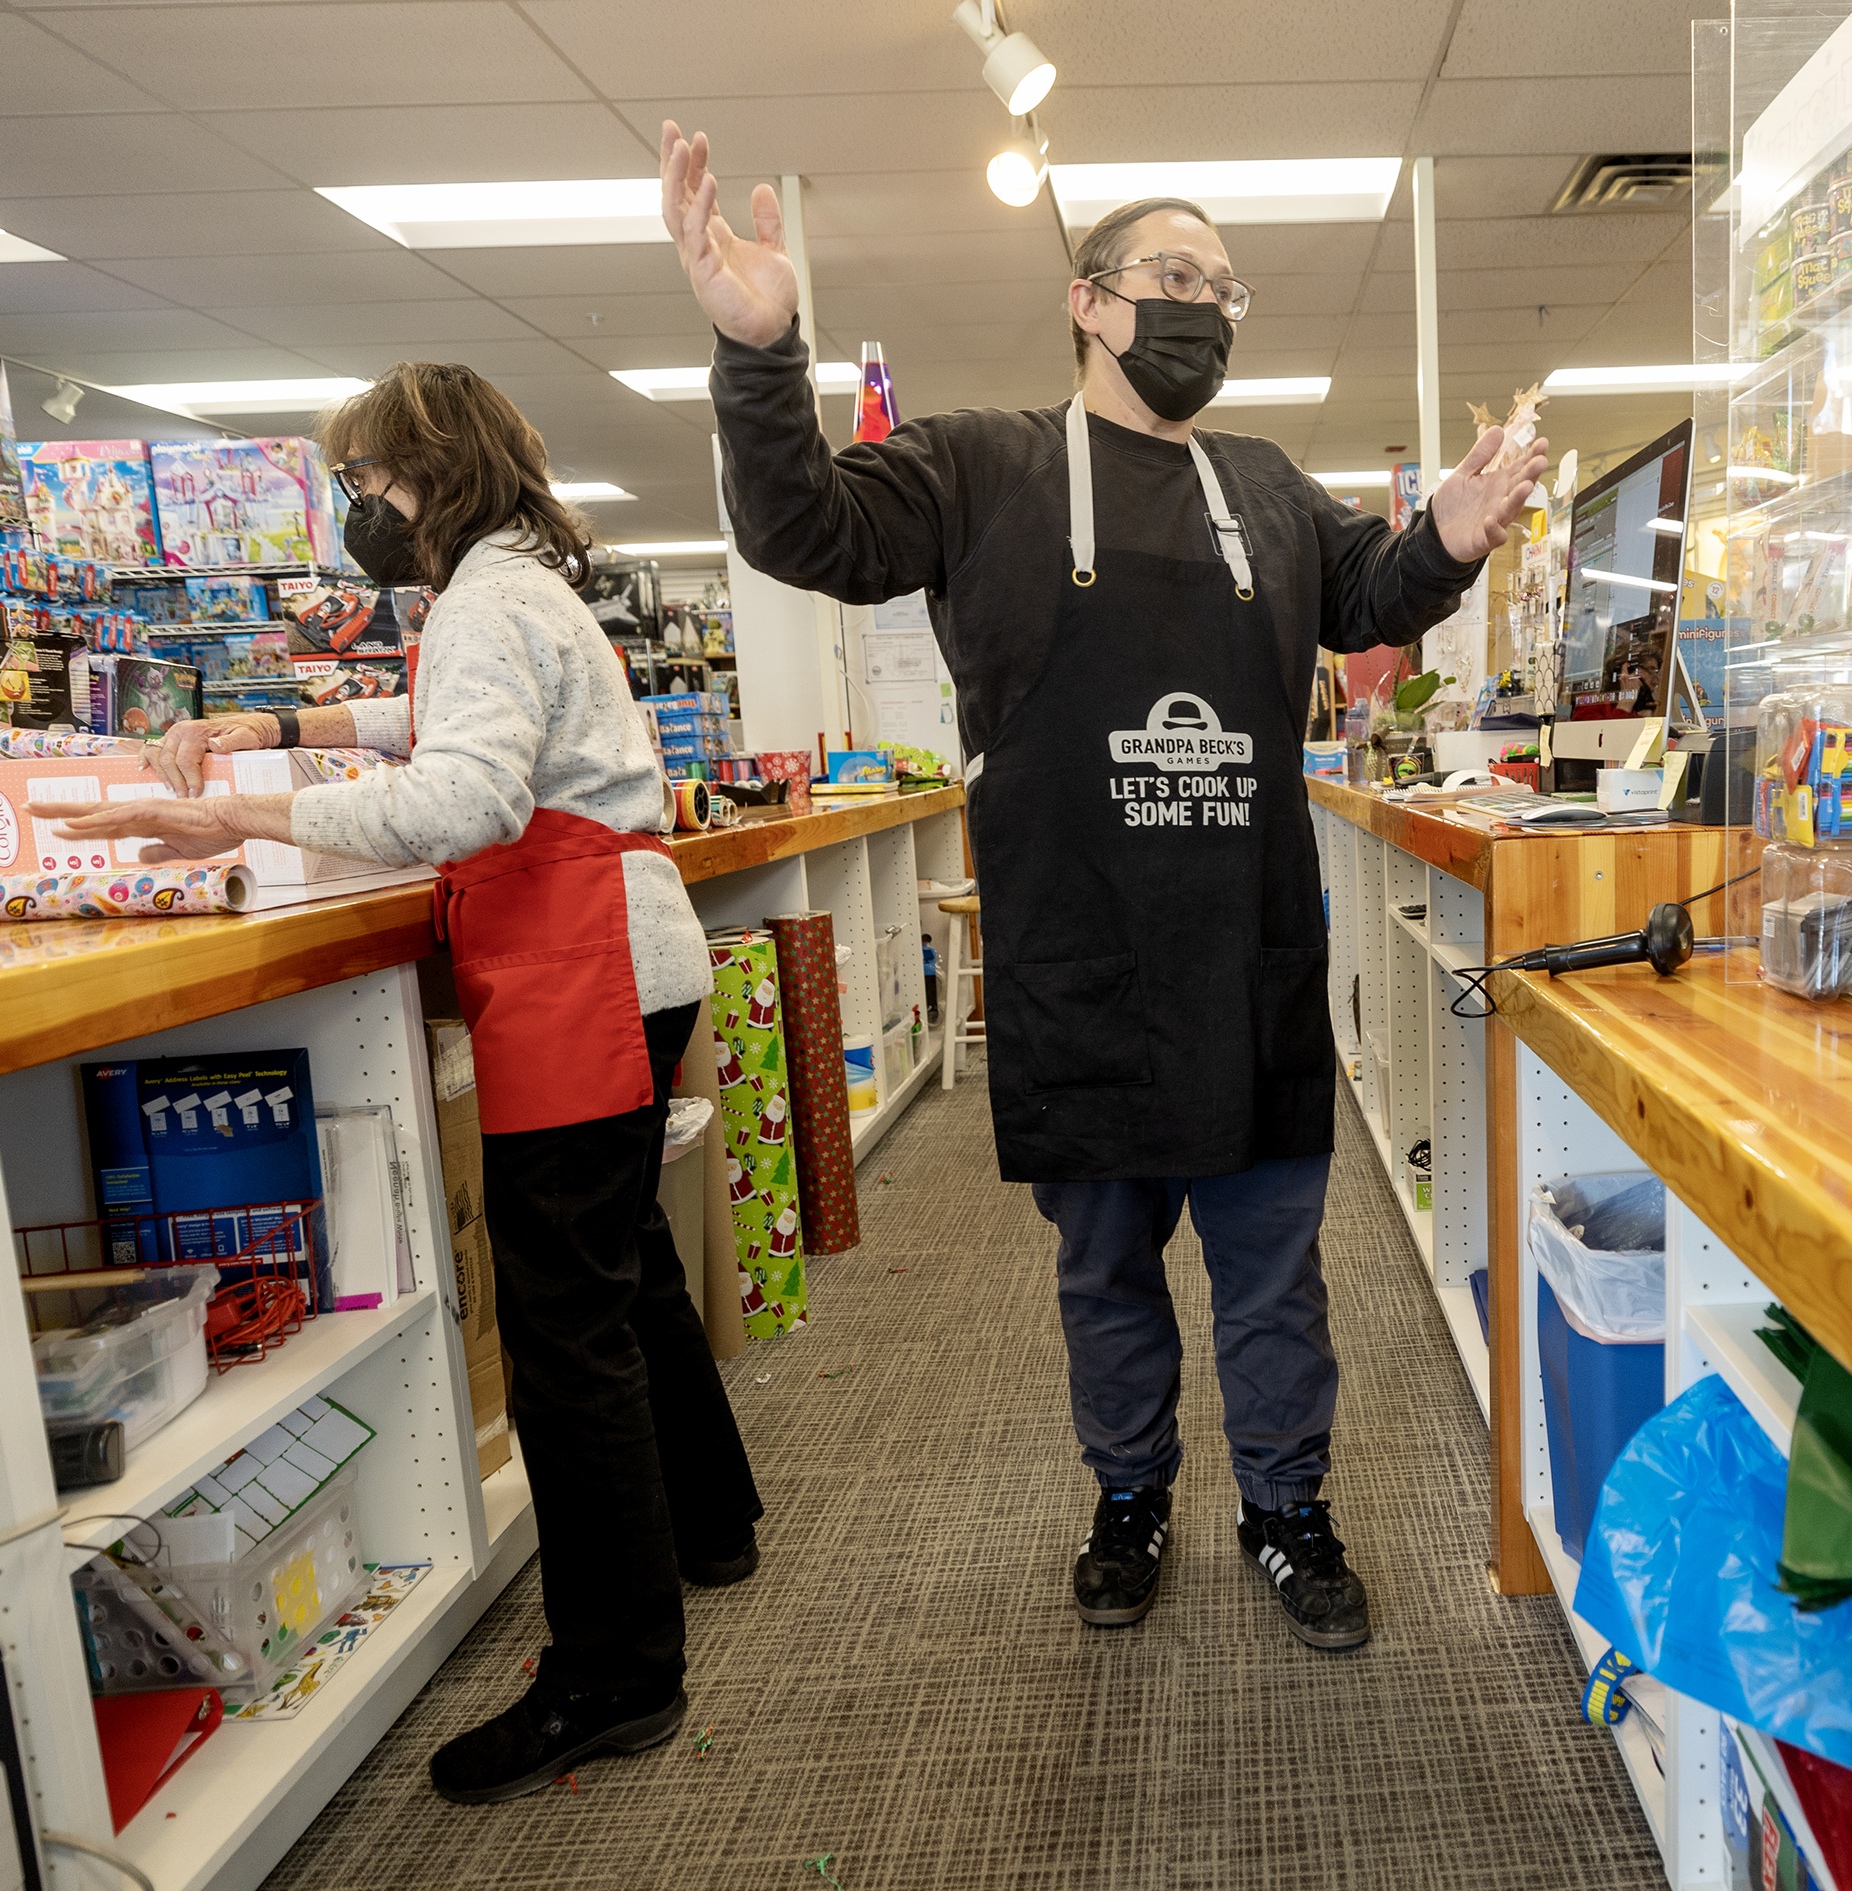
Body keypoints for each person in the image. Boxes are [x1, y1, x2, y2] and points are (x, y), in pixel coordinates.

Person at [661, 121, 1544, 1652]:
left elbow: (1372, 592)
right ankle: (1128, 1499)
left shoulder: (1264, 487)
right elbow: (805, 529)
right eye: (1171, 274)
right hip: (1080, 963)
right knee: (1105, 1276)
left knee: (1277, 1282)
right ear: (1088, 299)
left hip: (1248, 960)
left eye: (1223, 283)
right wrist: (759, 354)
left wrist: (1452, 537)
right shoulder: (982, 465)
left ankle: (1289, 1510)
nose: (1202, 302)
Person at [27, 363, 762, 1799]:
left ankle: (617, 1674)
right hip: (620, 947)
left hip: (578, 965)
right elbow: (450, 729)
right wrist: (283, 730)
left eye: (368, 484)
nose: (361, 510)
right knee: (622, 1267)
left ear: (426, 471)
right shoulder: (512, 588)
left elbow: (463, 798)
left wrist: (229, 809)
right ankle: (709, 1524)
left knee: (565, 1339)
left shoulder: (485, 600)